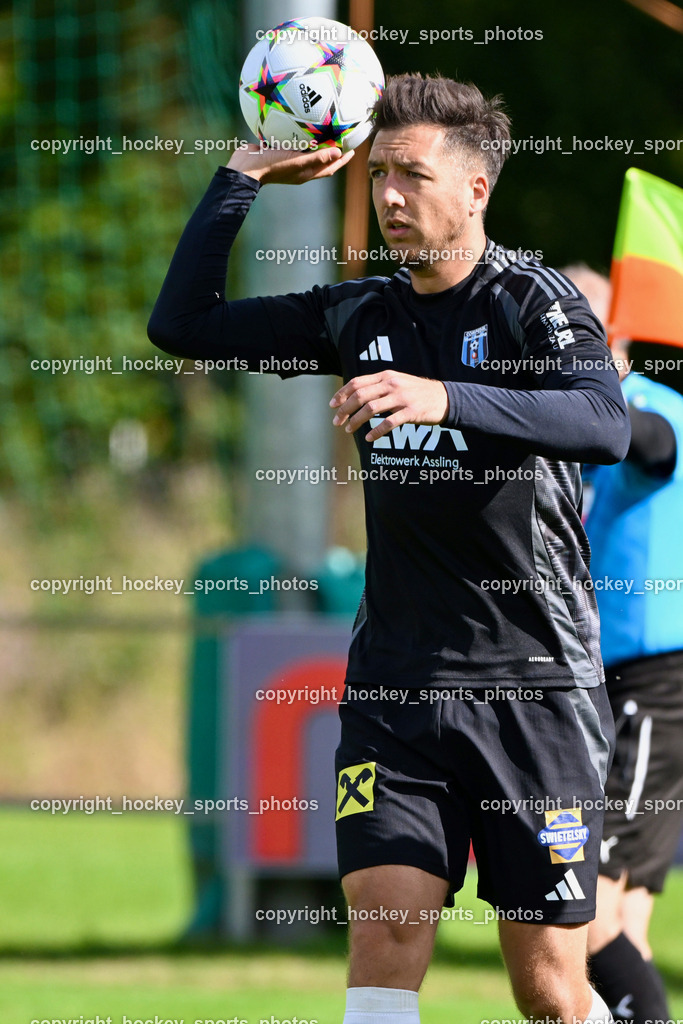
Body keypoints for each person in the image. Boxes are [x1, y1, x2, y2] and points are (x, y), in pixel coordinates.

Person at [149, 74, 631, 1024]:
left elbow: (602, 424)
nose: (390, 198)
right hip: (395, 693)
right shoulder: (359, 313)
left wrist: (441, 395)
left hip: (533, 689)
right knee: (384, 936)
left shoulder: (534, 306)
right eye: (378, 177)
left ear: (476, 189)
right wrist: (241, 174)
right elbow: (183, 325)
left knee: (549, 993)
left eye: (412, 175)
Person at [564, 265, 683, 1024]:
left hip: (653, 678)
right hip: (620, 677)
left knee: (584, 917)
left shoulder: (645, 406)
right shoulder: (576, 421)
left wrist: (599, 383)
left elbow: (653, 446)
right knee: (626, 913)